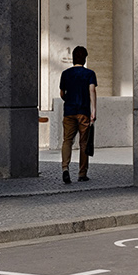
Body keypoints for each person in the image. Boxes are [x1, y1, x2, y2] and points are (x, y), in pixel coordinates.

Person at [59, 46, 98, 185]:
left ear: (73, 58)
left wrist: (68, 101)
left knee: (67, 141)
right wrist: (93, 110)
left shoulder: (65, 74)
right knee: (83, 143)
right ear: (85, 59)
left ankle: (65, 168)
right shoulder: (89, 74)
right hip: (83, 112)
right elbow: (92, 90)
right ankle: (82, 173)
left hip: (69, 111)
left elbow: (62, 93)